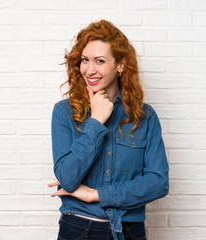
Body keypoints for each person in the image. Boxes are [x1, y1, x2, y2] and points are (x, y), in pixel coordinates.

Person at [48, 20, 169, 240]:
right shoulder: (64, 112)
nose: (89, 69)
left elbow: (158, 182)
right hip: (78, 229)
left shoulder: (145, 116)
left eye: (100, 61)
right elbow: (67, 177)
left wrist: (97, 194)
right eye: (85, 60)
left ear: (120, 65)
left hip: (129, 231)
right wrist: (96, 121)